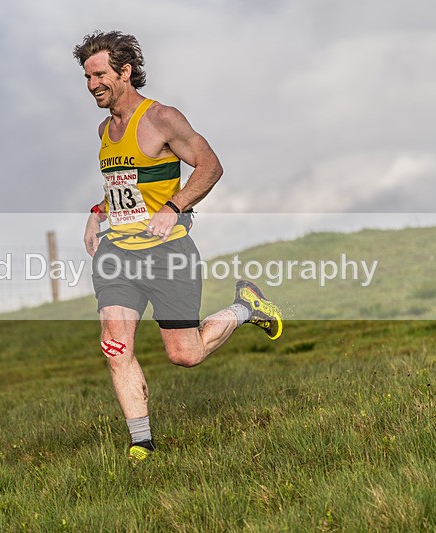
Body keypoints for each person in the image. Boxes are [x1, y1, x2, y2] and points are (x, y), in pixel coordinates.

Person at [73, 30, 283, 460]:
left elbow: (210, 166)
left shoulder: (161, 118)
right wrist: (98, 212)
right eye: (87, 77)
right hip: (118, 255)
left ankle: (247, 307)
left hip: (167, 253)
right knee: (115, 344)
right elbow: (125, 187)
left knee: (185, 355)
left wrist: (175, 206)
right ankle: (142, 444)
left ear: (125, 72)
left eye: (99, 75)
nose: (92, 84)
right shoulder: (105, 129)